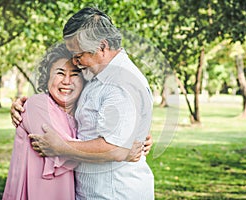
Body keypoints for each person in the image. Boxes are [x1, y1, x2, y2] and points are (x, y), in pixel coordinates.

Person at [12, 7, 155, 199]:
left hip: (114, 193)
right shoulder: (98, 77)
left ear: (102, 47)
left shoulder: (120, 83)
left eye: (79, 55)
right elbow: (67, 108)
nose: (76, 61)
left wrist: (61, 146)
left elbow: (115, 148)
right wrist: (24, 106)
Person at [3, 44, 83, 200]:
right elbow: (71, 149)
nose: (67, 81)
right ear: (47, 78)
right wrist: (119, 149)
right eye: (60, 73)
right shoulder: (37, 105)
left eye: (75, 74)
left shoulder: (81, 113)